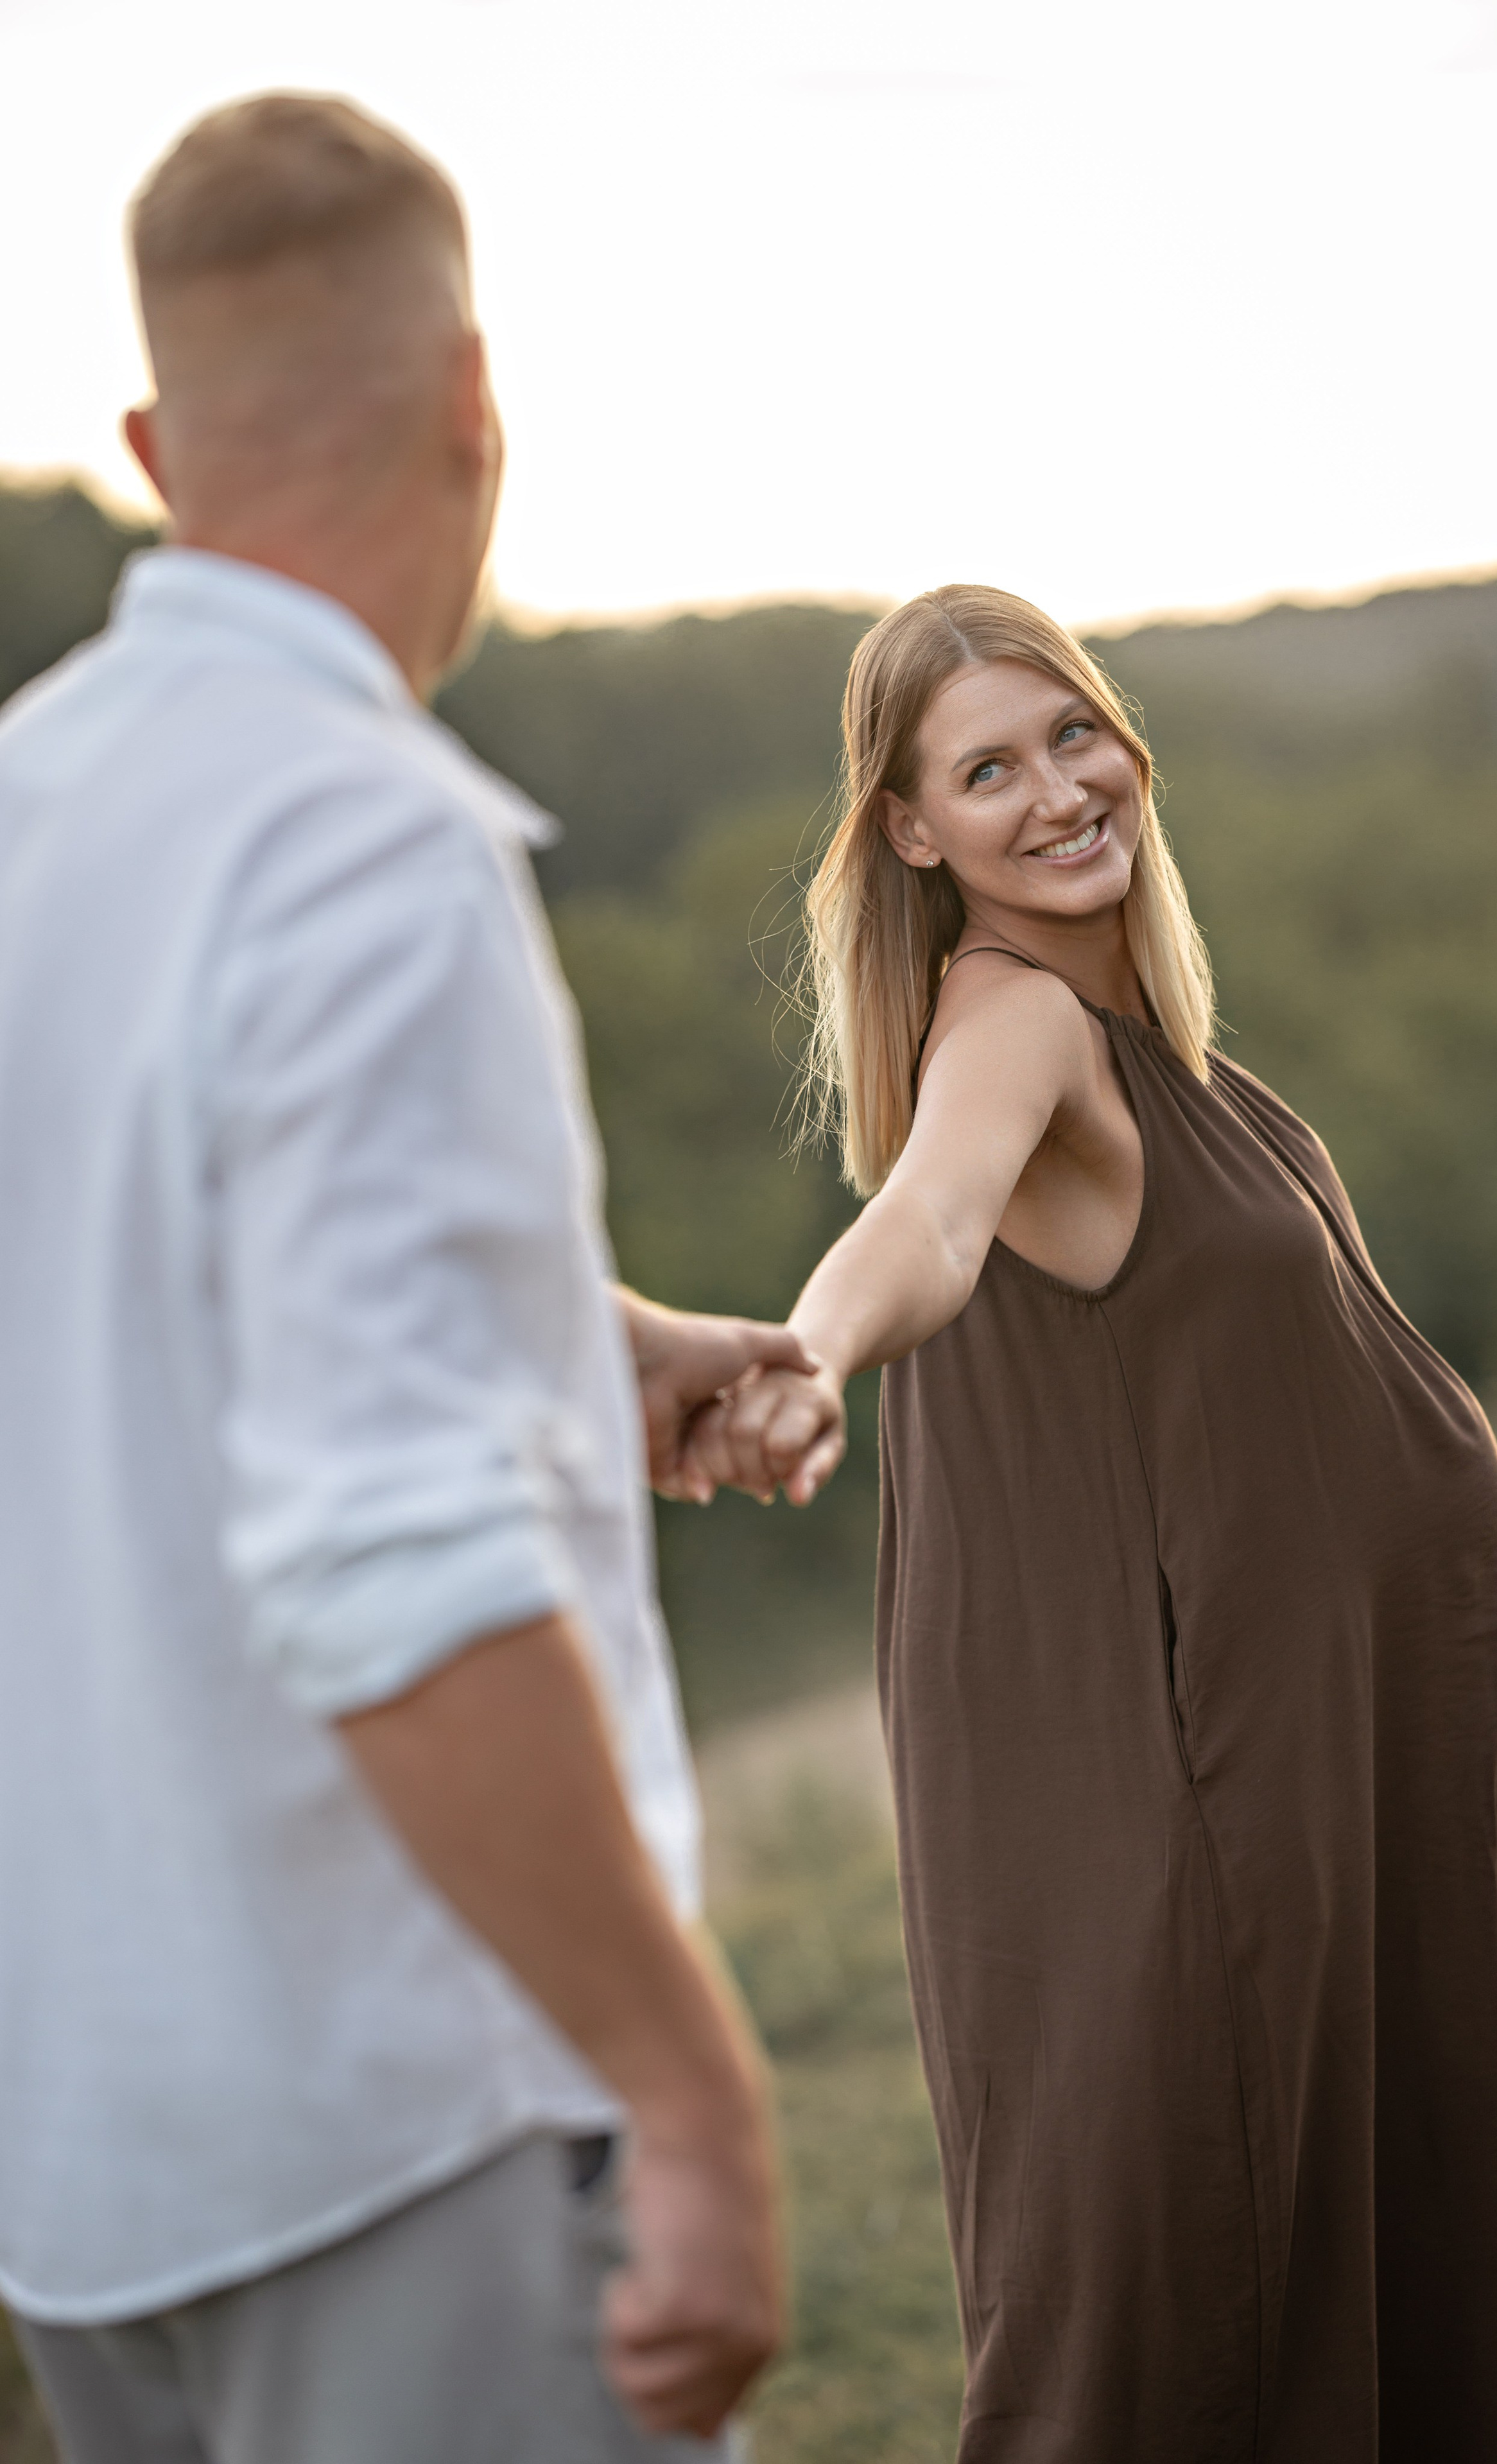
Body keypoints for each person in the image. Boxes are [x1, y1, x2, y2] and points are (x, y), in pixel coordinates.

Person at [0, 93, 831, 2464]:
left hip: (86, 2161)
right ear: (480, 403)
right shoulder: (371, 838)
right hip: (400, 2114)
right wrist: (687, 2090)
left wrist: (580, 1346)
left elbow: (105, 1314)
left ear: (157, 443)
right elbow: (391, 1563)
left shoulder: (28, 805)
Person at [697, 586, 1497, 2460]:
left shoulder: (1132, 1034)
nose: (1061, 789)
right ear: (912, 831)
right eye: (986, 769)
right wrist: (811, 1351)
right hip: (1212, 1786)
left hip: (1328, 1771)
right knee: (1197, 2284)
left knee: (1353, 2230)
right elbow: (925, 1216)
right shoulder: (1011, 1026)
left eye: (1072, 731)